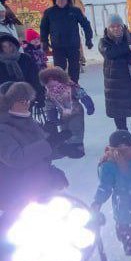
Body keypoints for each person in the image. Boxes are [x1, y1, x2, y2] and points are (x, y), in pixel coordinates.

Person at [0, 82, 65, 220]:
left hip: (38, 189)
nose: (27, 104)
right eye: (21, 101)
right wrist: (48, 144)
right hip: (15, 195)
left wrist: (60, 151)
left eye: (28, 100)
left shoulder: (28, 121)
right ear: (7, 103)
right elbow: (17, 158)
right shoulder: (2, 129)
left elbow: (39, 154)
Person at [97, 14, 131, 142]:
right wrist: (127, 48)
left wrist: (121, 51)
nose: (116, 29)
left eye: (118, 26)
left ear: (123, 26)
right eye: (112, 26)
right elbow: (110, 54)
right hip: (115, 83)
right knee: (119, 112)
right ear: (108, 28)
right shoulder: (104, 42)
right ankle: (124, 138)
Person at [38, 0, 92, 83]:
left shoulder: (75, 11)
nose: (61, 1)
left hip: (73, 45)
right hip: (58, 46)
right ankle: (61, 86)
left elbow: (85, 24)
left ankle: (74, 84)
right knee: (59, 69)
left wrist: (89, 39)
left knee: (74, 68)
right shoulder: (49, 12)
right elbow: (44, 28)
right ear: (55, 0)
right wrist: (44, 41)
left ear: (67, 0)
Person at [39, 66, 86, 159]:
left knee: (76, 128)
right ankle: (67, 147)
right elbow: (50, 104)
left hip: (76, 112)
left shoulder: (71, 86)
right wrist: (52, 115)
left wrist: (87, 101)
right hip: (63, 115)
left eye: (54, 79)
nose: (51, 83)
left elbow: (81, 93)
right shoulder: (49, 92)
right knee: (65, 130)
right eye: (48, 80)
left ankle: (77, 148)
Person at [0, 33, 43, 106]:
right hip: (6, 100)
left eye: (10, 45)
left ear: (14, 45)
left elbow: (35, 78)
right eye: (4, 46)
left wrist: (39, 96)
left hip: (27, 99)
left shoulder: (25, 58)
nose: (8, 48)